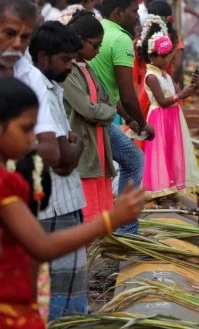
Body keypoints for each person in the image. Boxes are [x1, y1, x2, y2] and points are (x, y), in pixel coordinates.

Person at [0, 76, 145, 329]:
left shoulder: (13, 176)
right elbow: (41, 246)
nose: (31, 140)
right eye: (25, 129)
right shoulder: (4, 184)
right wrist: (112, 219)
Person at [28, 20, 88, 321]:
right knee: (60, 302)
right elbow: (61, 157)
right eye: (66, 60)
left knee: (68, 291)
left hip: (65, 202)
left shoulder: (51, 86)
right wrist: (74, 149)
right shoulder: (38, 86)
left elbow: (66, 157)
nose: (70, 67)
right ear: (42, 57)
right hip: (53, 208)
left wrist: (71, 152)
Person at [89, 0, 154, 234]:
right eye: (133, 11)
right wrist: (145, 125)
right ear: (118, 13)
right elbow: (127, 95)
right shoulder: (121, 38)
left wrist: (128, 119)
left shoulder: (99, 30)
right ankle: (126, 229)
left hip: (99, 113)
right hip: (98, 117)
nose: (137, 17)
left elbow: (106, 87)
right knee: (134, 160)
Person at [64, 10, 116, 224]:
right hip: (84, 149)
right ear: (79, 41)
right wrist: (107, 113)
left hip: (98, 146)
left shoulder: (88, 69)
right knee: (88, 212)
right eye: (95, 45)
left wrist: (104, 111)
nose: (97, 51)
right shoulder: (67, 71)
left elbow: (107, 101)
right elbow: (89, 109)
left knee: (101, 209)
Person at [141, 15, 199, 199]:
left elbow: (179, 92)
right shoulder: (151, 76)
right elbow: (163, 100)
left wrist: (193, 88)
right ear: (152, 55)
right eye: (163, 56)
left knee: (172, 152)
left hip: (172, 117)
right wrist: (181, 95)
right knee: (161, 155)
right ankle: (160, 193)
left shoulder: (165, 75)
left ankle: (171, 189)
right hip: (159, 117)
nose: (167, 60)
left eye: (168, 56)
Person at [0, 0, 61, 169]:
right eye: (9, 33)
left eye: (25, 37)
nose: (17, 43)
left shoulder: (31, 76)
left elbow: (51, 151)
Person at [133, 1, 184, 146]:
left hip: (145, 91)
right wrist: (171, 84)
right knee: (168, 136)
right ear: (169, 18)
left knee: (146, 134)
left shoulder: (141, 41)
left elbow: (136, 72)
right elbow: (179, 65)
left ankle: (148, 166)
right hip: (168, 90)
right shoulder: (174, 39)